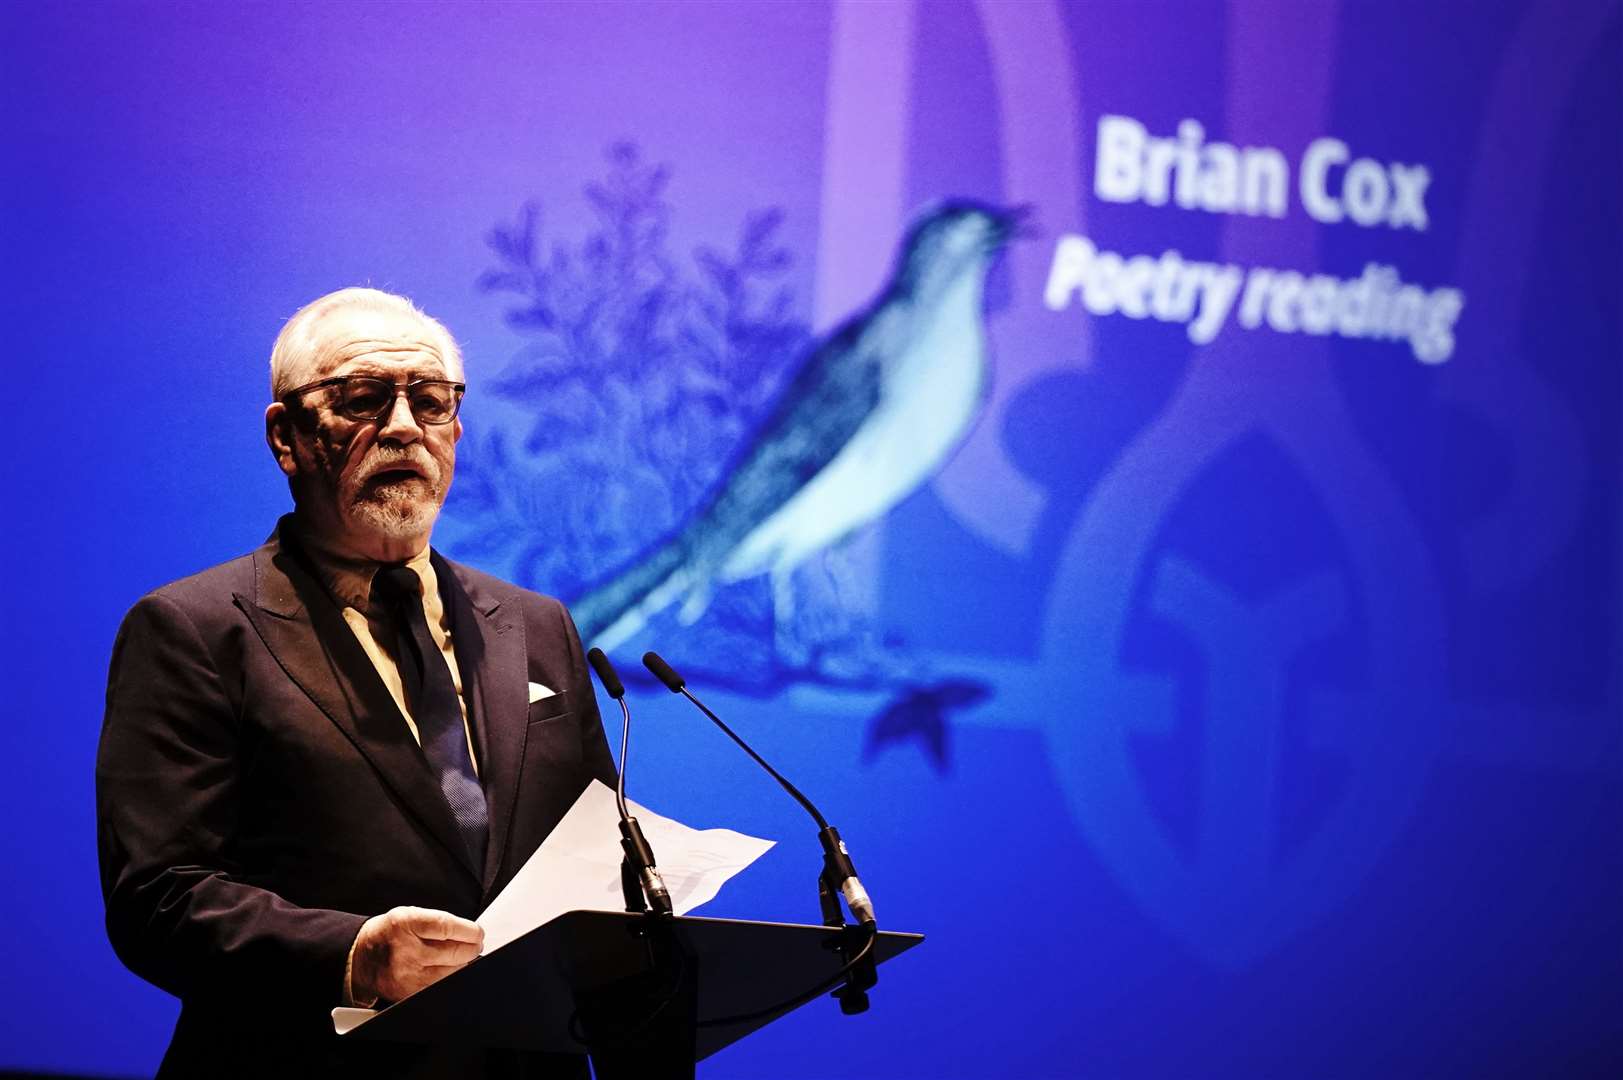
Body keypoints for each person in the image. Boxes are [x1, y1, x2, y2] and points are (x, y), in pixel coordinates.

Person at [96, 287, 617, 1078]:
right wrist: (350, 954)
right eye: (364, 399)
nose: (404, 427)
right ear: (287, 435)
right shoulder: (194, 630)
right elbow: (158, 900)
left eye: (431, 402)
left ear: (455, 431)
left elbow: (600, 861)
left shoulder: (537, 625)